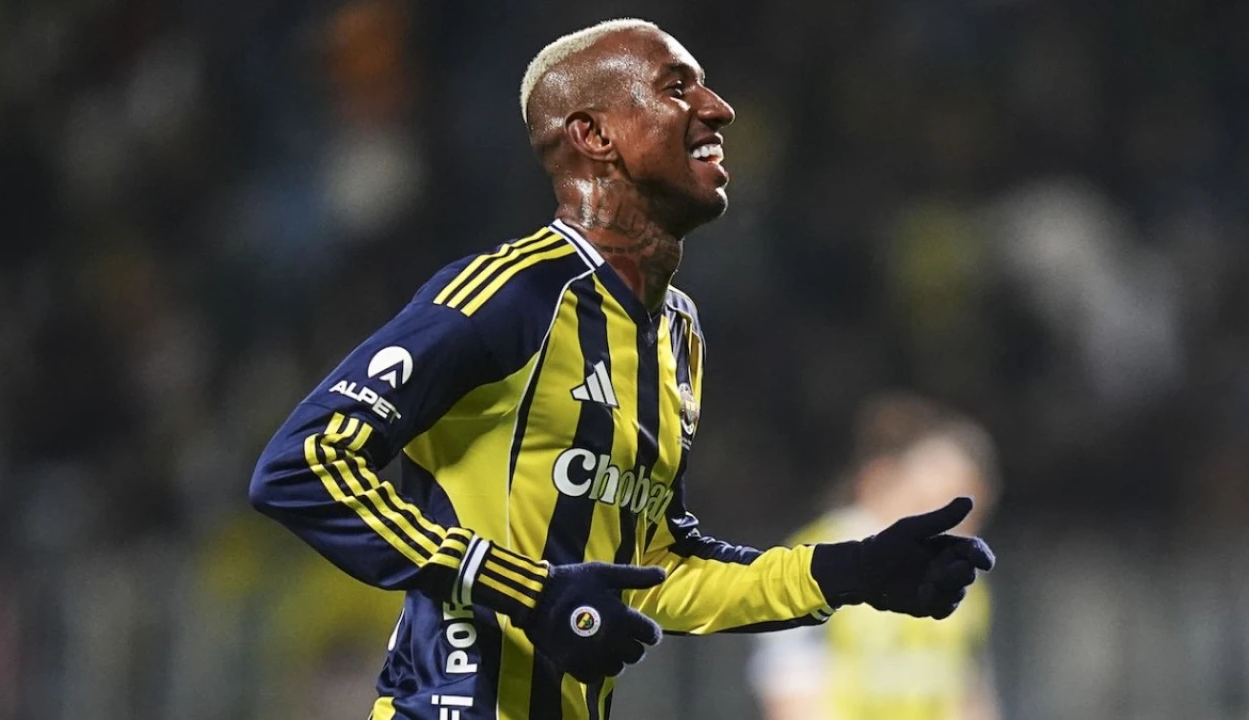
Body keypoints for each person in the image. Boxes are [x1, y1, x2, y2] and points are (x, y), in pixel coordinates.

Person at [249, 19, 995, 720]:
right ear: (595, 136)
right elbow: (300, 466)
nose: (719, 109)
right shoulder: (513, 294)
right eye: (677, 89)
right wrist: (530, 591)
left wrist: (847, 573)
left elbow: (661, 568)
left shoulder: (678, 332)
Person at [750, 393, 1001, 720]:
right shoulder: (812, 562)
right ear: (878, 480)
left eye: (968, 517)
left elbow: (970, 695)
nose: (954, 530)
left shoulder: (964, 578)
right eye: (931, 504)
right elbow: (789, 696)